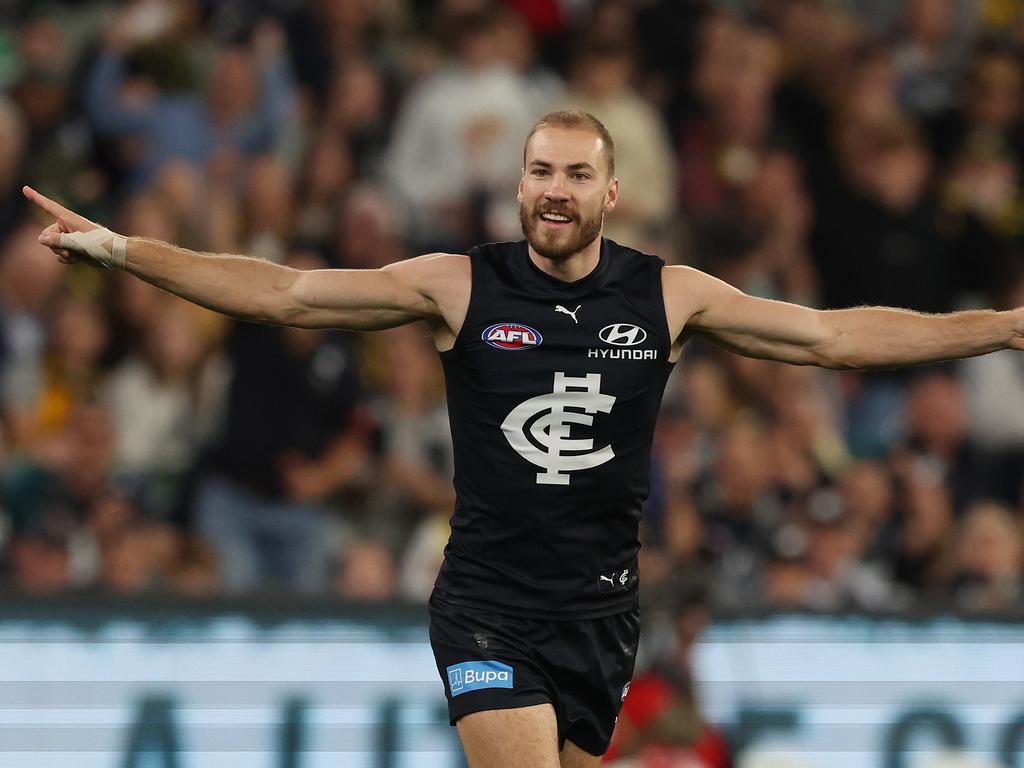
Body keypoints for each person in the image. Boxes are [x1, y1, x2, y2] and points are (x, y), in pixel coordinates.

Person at [23, 109, 1024, 768]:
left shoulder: (667, 295)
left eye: (576, 174)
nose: (554, 189)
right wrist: (120, 248)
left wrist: (1004, 325)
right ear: (518, 183)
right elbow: (284, 292)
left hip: (601, 614)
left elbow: (831, 337)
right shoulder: (460, 283)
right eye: (538, 170)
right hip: (487, 607)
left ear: (610, 193)